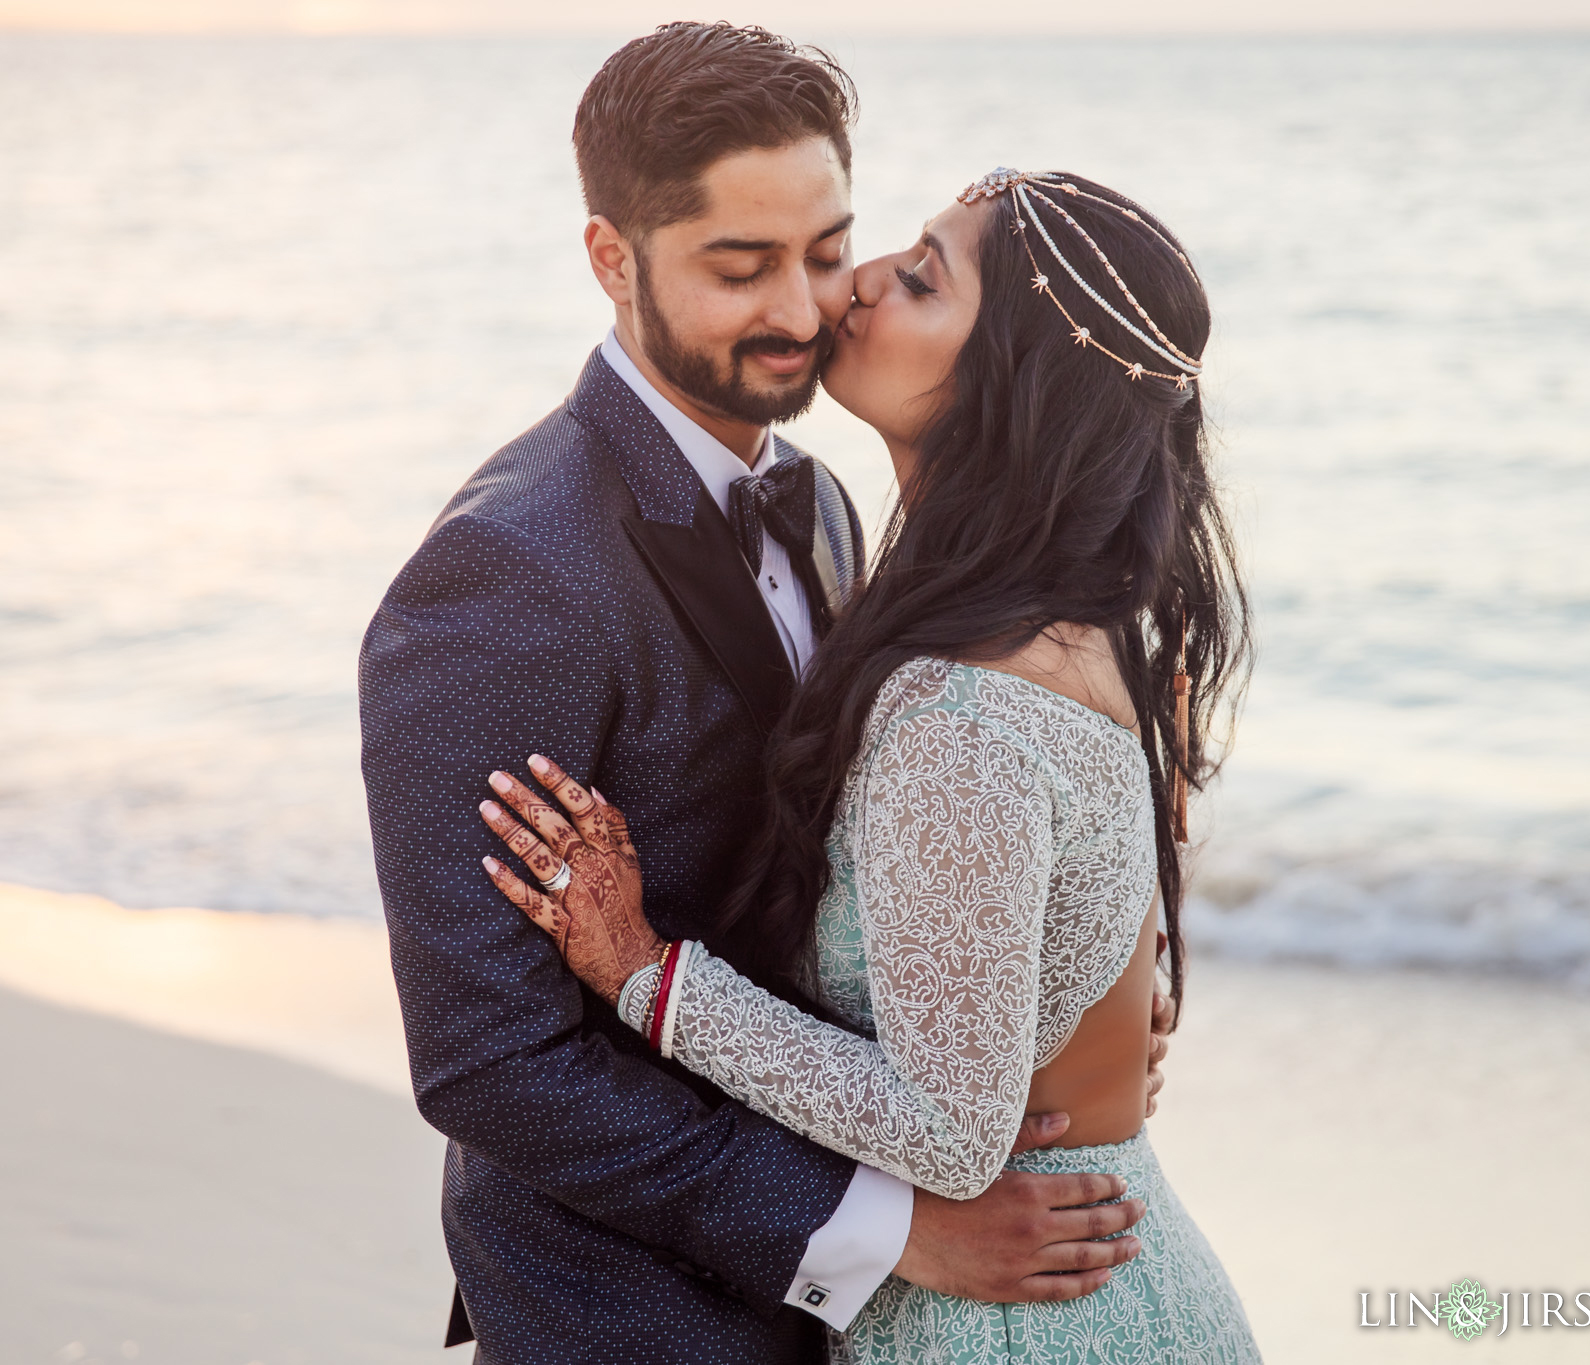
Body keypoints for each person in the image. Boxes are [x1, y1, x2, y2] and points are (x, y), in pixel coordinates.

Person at [359, 24, 1172, 1365]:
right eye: (741, 268)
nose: (805, 310)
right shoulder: (505, 578)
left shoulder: (825, 504)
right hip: (636, 1313)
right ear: (613, 261)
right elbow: (486, 1062)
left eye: (825, 249)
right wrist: (881, 1228)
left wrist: (1066, 1047)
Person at [472, 166, 1262, 1362]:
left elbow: (947, 1130)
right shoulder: (1082, 623)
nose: (857, 285)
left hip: (1016, 1323)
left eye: (921, 278)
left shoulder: (965, 713)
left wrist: (643, 974)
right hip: (1103, 1274)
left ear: (1006, 391)